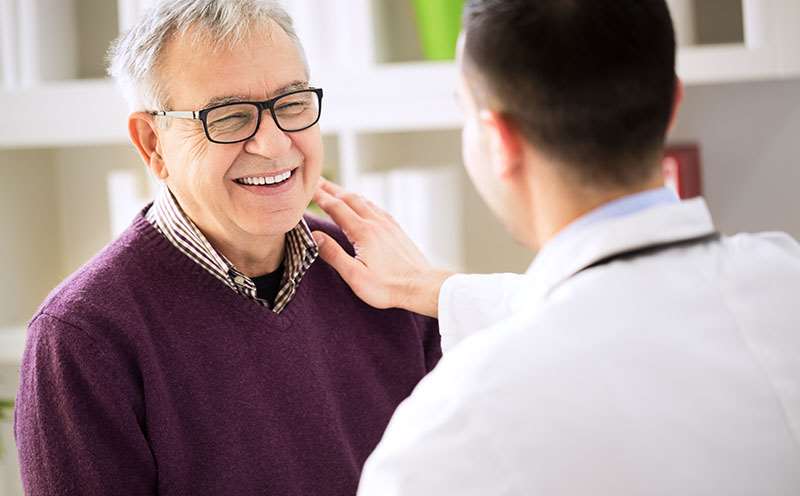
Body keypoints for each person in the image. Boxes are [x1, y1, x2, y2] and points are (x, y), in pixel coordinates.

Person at [311, 1, 800, 494]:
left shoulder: (451, 433)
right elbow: (625, 309)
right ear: (673, 104)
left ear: (499, 139)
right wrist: (438, 289)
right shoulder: (783, 277)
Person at [13, 1, 440, 495]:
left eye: (293, 103)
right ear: (153, 143)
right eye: (231, 116)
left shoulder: (382, 273)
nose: (275, 144)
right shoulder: (82, 335)